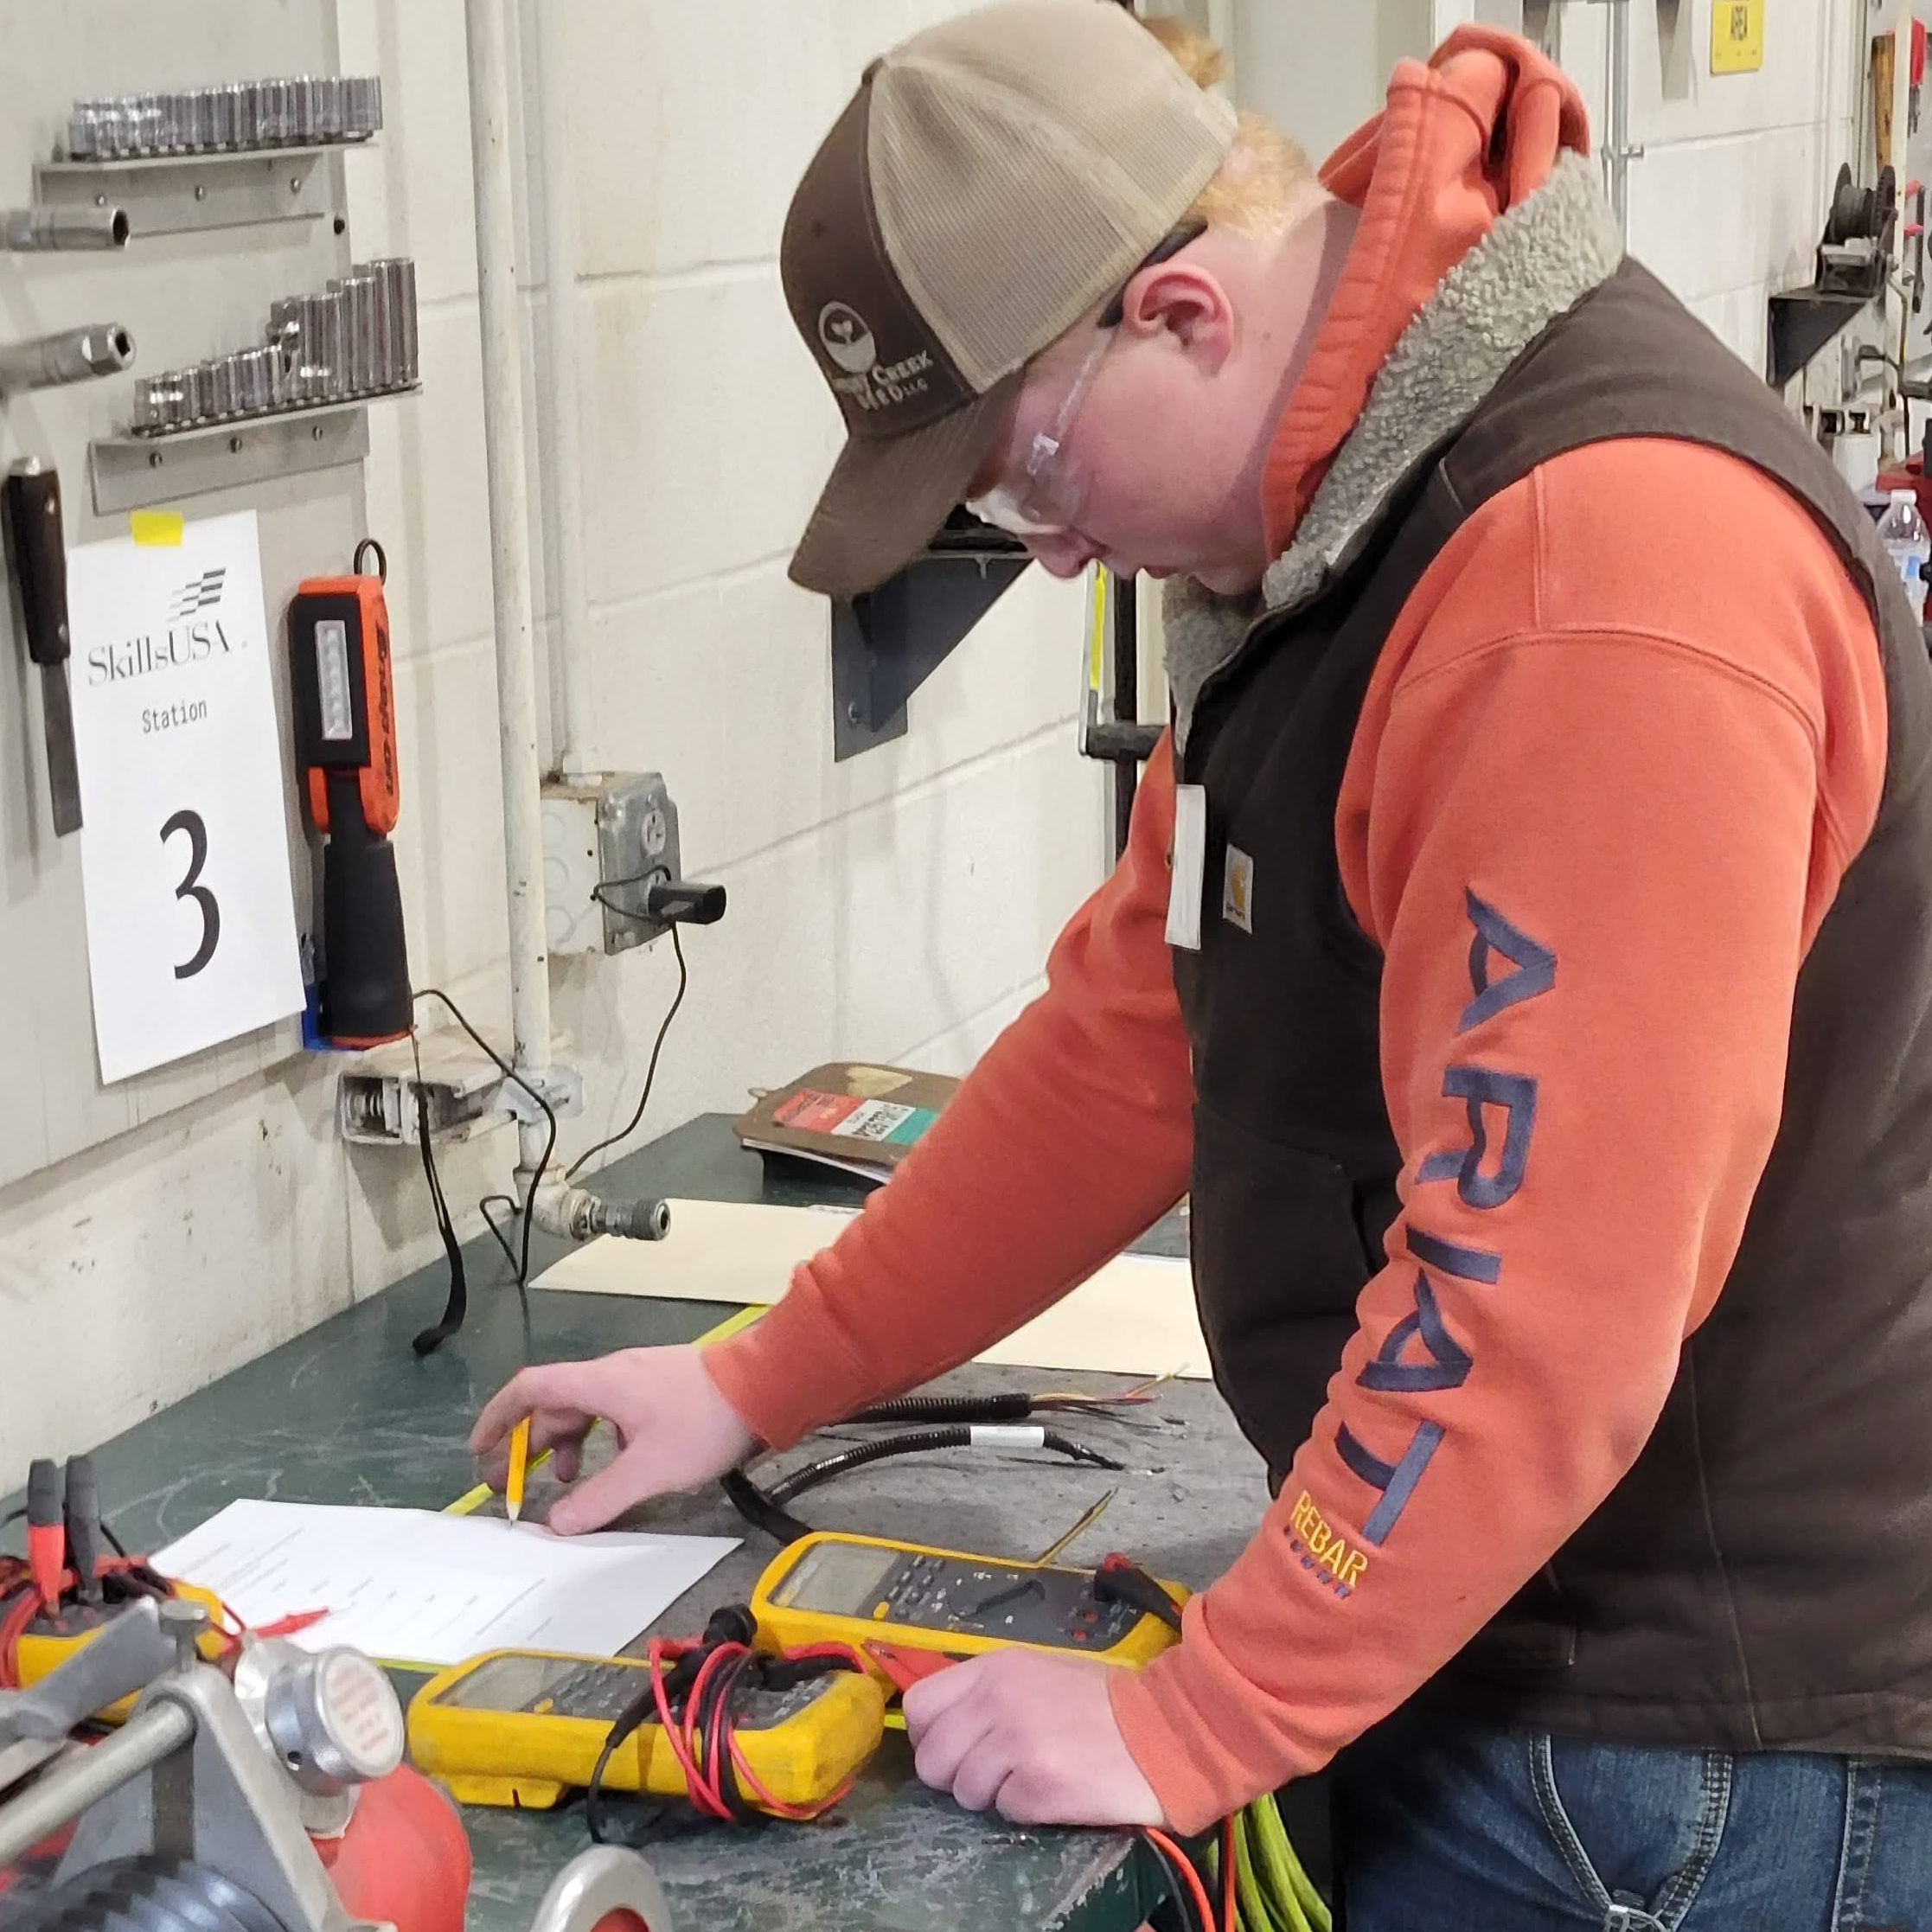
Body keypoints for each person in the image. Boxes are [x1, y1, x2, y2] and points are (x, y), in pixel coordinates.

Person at [475, 6, 1932, 1923]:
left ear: (1176, 314)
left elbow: (1542, 1298)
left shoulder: (1590, 585)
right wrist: (764, 1374)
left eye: (1021, 467)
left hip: (1675, 1767)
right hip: (1498, 1658)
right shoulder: (1335, 535)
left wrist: (1202, 1716)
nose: (1048, 548)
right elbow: (1131, 1040)